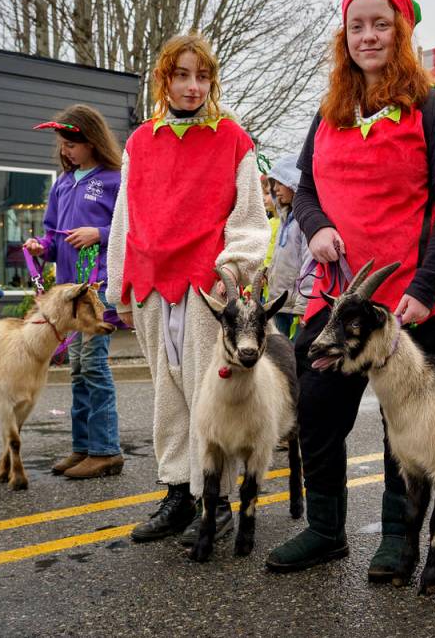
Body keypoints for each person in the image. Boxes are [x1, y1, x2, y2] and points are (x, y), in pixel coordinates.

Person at [265, 0, 435, 581]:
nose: (368, 36)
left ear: (401, 33)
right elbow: (304, 190)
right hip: (338, 298)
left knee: (404, 422)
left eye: (380, 25)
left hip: (410, 293)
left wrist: (429, 286)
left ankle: (400, 535)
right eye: (357, 26)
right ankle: (327, 530)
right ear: (345, 37)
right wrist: (319, 225)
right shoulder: (329, 114)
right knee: (321, 407)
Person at [106, 34, 270, 544]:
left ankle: (215, 496)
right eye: (181, 75)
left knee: (210, 391)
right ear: (165, 79)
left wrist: (231, 269)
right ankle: (178, 491)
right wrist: (122, 288)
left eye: (201, 76)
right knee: (167, 392)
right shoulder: (139, 143)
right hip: (154, 284)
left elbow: (249, 220)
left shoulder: (233, 139)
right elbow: (124, 220)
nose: (192, 86)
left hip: (206, 287)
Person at [24, 105, 124, 479]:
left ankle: (106, 450)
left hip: (95, 293)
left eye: (72, 145)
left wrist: (99, 234)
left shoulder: (115, 179)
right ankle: (83, 447)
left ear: (92, 141)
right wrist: (41, 247)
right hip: (67, 294)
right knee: (79, 369)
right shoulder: (63, 183)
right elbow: (53, 236)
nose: (66, 152)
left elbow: (131, 229)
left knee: (94, 367)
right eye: (63, 145)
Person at [265, 155, 311, 340]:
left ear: (293, 182)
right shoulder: (285, 219)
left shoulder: (304, 220)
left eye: (280, 183)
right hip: (278, 303)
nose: (275, 189)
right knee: (275, 353)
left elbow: (309, 263)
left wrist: (305, 303)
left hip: (295, 306)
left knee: (293, 356)